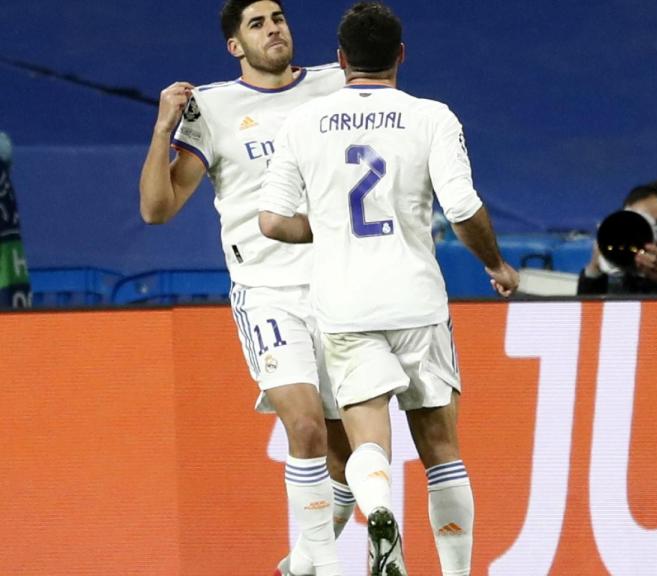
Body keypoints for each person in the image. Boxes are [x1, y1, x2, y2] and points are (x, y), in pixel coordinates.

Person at [259, 3, 519, 574]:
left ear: (341, 59)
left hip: (344, 305)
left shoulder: (302, 123)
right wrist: (496, 264)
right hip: (416, 301)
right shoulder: (431, 117)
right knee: (441, 451)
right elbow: (462, 208)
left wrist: (326, 228)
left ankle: (377, 510)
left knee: (366, 439)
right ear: (401, 55)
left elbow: (273, 222)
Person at [137, 2, 354, 574]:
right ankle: (326, 566)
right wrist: (163, 128)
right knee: (303, 424)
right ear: (235, 46)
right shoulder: (212, 108)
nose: (273, 28)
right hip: (267, 291)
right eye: (256, 24)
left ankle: (303, 563)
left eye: (278, 17)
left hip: (342, 285)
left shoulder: (336, 84)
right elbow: (156, 210)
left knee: (349, 458)